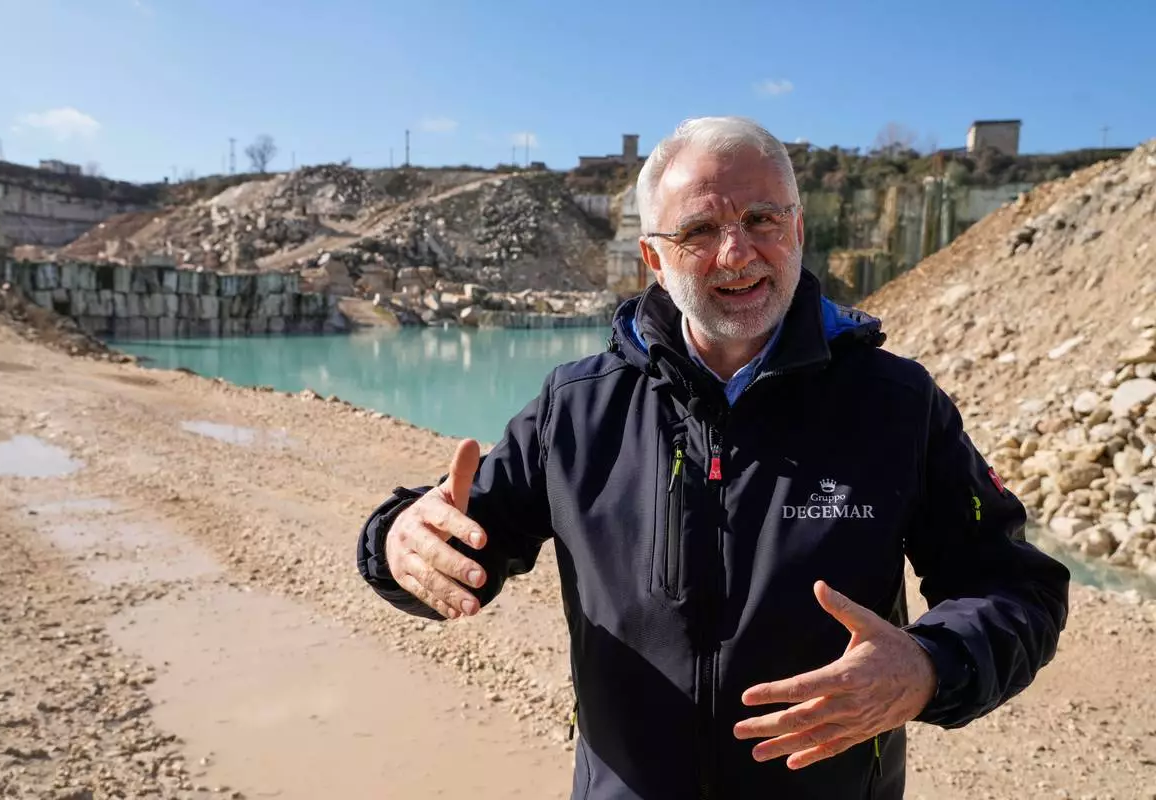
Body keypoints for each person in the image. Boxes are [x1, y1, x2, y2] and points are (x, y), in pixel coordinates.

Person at [356, 116, 1070, 799]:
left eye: (762, 219)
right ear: (654, 259)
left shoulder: (897, 404)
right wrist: (397, 540)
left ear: (798, 228)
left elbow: (1014, 587)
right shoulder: (575, 408)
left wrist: (928, 664)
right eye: (698, 230)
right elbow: (459, 547)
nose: (737, 253)